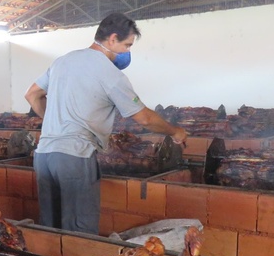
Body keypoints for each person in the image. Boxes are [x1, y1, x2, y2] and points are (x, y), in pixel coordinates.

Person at [24, 12, 188, 235]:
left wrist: (56, 121)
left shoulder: (63, 61)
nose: (127, 52)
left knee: (49, 229)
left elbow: (32, 95)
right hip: (74, 157)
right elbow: (144, 118)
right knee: (79, 233)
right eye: (127, 45)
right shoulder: (110, 73)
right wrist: (175, 131)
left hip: (44, 155)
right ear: (112, 39)